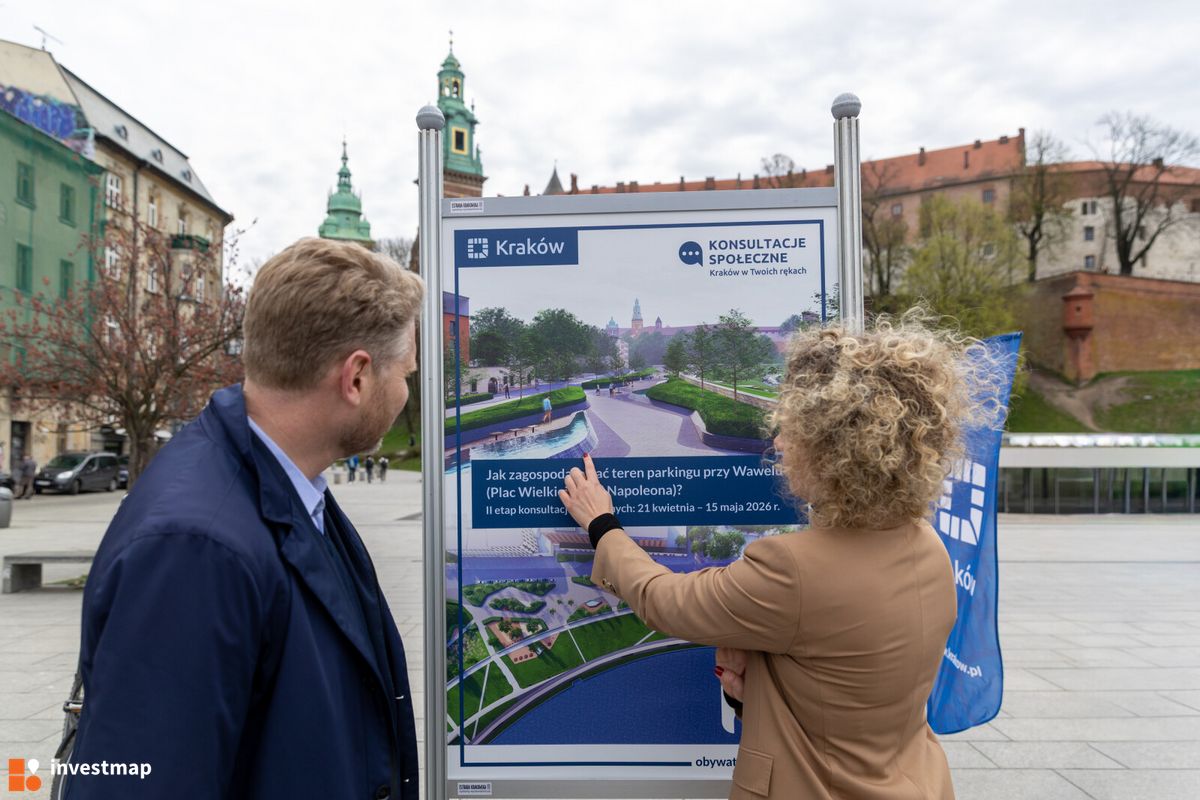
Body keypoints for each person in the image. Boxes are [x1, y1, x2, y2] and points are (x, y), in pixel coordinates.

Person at [558, 315, 1001, 800]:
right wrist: (765, 696)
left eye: (793, 430)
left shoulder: (794, 568)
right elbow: (854, 694)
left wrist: (601, 525)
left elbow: (665, 599)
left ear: (834, 451)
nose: (780, 443)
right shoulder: (926, 545)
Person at [68, 238, 423, 799]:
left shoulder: (282, 485)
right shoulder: (196, 549)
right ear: (355, 377)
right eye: (406, 372)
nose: (406, 390)